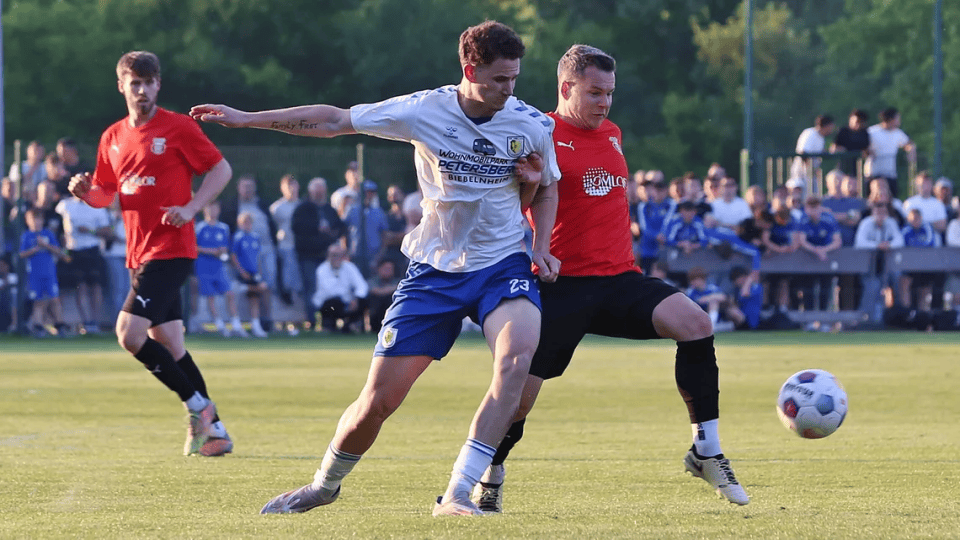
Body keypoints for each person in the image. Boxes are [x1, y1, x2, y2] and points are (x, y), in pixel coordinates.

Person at [191, 20, 561, 516]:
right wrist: (246, 119)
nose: (509, 89)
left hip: (502, 264)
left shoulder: (530, 123)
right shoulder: (424, 110)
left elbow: (548, 185)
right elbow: (333, 120)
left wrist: (540, 244)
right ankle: (324, 485)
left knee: (516, 362)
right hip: (434, 270)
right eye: (499, 79)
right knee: (377, 402)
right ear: (470, 70)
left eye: (514, 78)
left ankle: (458, 492)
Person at [472, 44, 749, 514]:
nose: (605, 103)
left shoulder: (613, 133)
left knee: (697, 324)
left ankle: (706, 451)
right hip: (562, 286)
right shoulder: (538, 133)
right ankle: (489, 473)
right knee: (516, 401)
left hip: (621, 279)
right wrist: (530, 189)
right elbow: (511, 206)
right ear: (566, 88)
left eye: (610, 93)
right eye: (595, 93)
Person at [67, 51, 234, 457]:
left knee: (129, 334)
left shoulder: (178, 127)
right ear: (122, 86)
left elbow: (221, 169)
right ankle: (216, 432)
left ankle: (198, 408)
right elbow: (107, 193)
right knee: (170, 344)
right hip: (138, 254)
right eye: (135, 83)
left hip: (171, 250)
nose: (142, 90)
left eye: (149, 82)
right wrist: (87, 194)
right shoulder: (112, 137)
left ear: (158, 85)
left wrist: (192, 208)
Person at [55, 189, 111, 333]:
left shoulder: (98, 207)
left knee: (96, 287)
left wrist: (90, 231)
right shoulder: (65, 205)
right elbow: (59, 228)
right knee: (81, 287)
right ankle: (86, 322)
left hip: (92, 250)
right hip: (74, 251)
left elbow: (107, 231)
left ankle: (95, 321)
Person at [195, 201, 246, 337]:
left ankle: (236, 324)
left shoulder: (223, 228)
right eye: (210, 208)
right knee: (210, 296)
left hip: (219, 266)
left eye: (215, 208)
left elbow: (226, 248)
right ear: (205, 210)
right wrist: (211, 251)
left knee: (229, 294)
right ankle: (219, 325)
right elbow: (193, 247)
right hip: (204, 266)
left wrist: (223, 252)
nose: (212, 211)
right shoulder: (199, 228)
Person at [19, 207, 70, 337]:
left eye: (38, 219)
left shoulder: (48, 234)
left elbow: (58, 251)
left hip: (49, 272)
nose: (36, 222)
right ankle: (38, 326)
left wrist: (45, 245)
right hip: (34, 273)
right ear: (28, 221)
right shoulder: (27, 236)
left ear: (42, 220)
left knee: (54, 299)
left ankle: (59, 325)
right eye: (33, 220)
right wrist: (35, 249)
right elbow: (22, 254)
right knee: (38, 300)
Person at [312, 243, 369, 333]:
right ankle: (329, 326)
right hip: (328, 303)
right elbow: (329, 291)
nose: (337, 258)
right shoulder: (322, 269)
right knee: (333, 303)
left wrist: (356, 298)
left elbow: (362, 286)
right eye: (334, 255)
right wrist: (349, 300)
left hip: (348, 302)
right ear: (328, 256)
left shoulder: (350, 267)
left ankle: (350, 325)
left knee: (363, 300)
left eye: (340, 255)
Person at [231, 212, 271, 337]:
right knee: (236, 295)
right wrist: (241, 271)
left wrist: (259, 272)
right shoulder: (238, 237)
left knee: (255, 298)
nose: (247, 225)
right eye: (244, 222)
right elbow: (233, 255)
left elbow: (257, 257)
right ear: (240, 224)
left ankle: (256, 325)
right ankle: (237, 325)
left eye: (249, 222)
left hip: (254, 273)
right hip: (243, 273)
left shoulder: (255, 237)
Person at [865, 107, 915, 197]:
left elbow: (908, 144)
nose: (899, 121)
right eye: (897, 118)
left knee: (892, 199)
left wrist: (910, 151)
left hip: (890, 174)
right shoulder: (872, 132)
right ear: (891, 119)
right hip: (873, 173)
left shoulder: (897, 133)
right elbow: (863, 145)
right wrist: (869, 150)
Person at [344, 180, 390, 277]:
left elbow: (385, 236)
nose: (368, 195)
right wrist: (346, 253)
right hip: (354, 255)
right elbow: (344, 232)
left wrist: (379, 256)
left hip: (373, 256)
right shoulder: (352, 210)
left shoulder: (379, 212)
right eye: (366, 192)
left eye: (371, 192)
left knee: (372, 281)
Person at [270, 174, 303, 306]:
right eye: (288, 186)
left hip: (302, 247)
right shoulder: (276, 208)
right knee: (287, 277)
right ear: (282, 188)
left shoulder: (302, 206)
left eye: (293, 185)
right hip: (285, 246)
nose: (291, 189)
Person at [790, 115, 835, 181]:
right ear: (827, 126)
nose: (832, 129)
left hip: (811, 176)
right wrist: (810, 169)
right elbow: (803, 153)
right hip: (801, 174)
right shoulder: (810, 133)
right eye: (831, 126)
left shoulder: (821, 138)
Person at [831, 109, 871, 175]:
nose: (858, 125)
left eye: (861, 122)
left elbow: (866, 151)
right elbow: (833, 149)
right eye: (857, 121)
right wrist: (841, 150)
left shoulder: (864, 133)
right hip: (842, 168)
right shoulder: (843, 131)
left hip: (858, 169)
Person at [366, 258, 400, 333]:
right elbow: (375, 291)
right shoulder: (372, 281)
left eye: (390, 269)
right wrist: (391, 289)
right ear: (379, 269)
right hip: (376, 312)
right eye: (385, 268)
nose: (388, 271)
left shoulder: (398, 281)